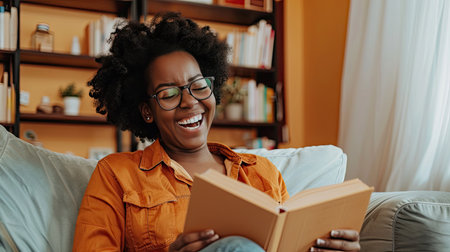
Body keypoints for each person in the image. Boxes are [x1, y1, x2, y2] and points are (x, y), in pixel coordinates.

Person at [73, 12, 361, 252]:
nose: (190, 102)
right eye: (169, 93)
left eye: (199, 86)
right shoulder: (116, 174)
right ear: (147, 110)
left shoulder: (262, 173)